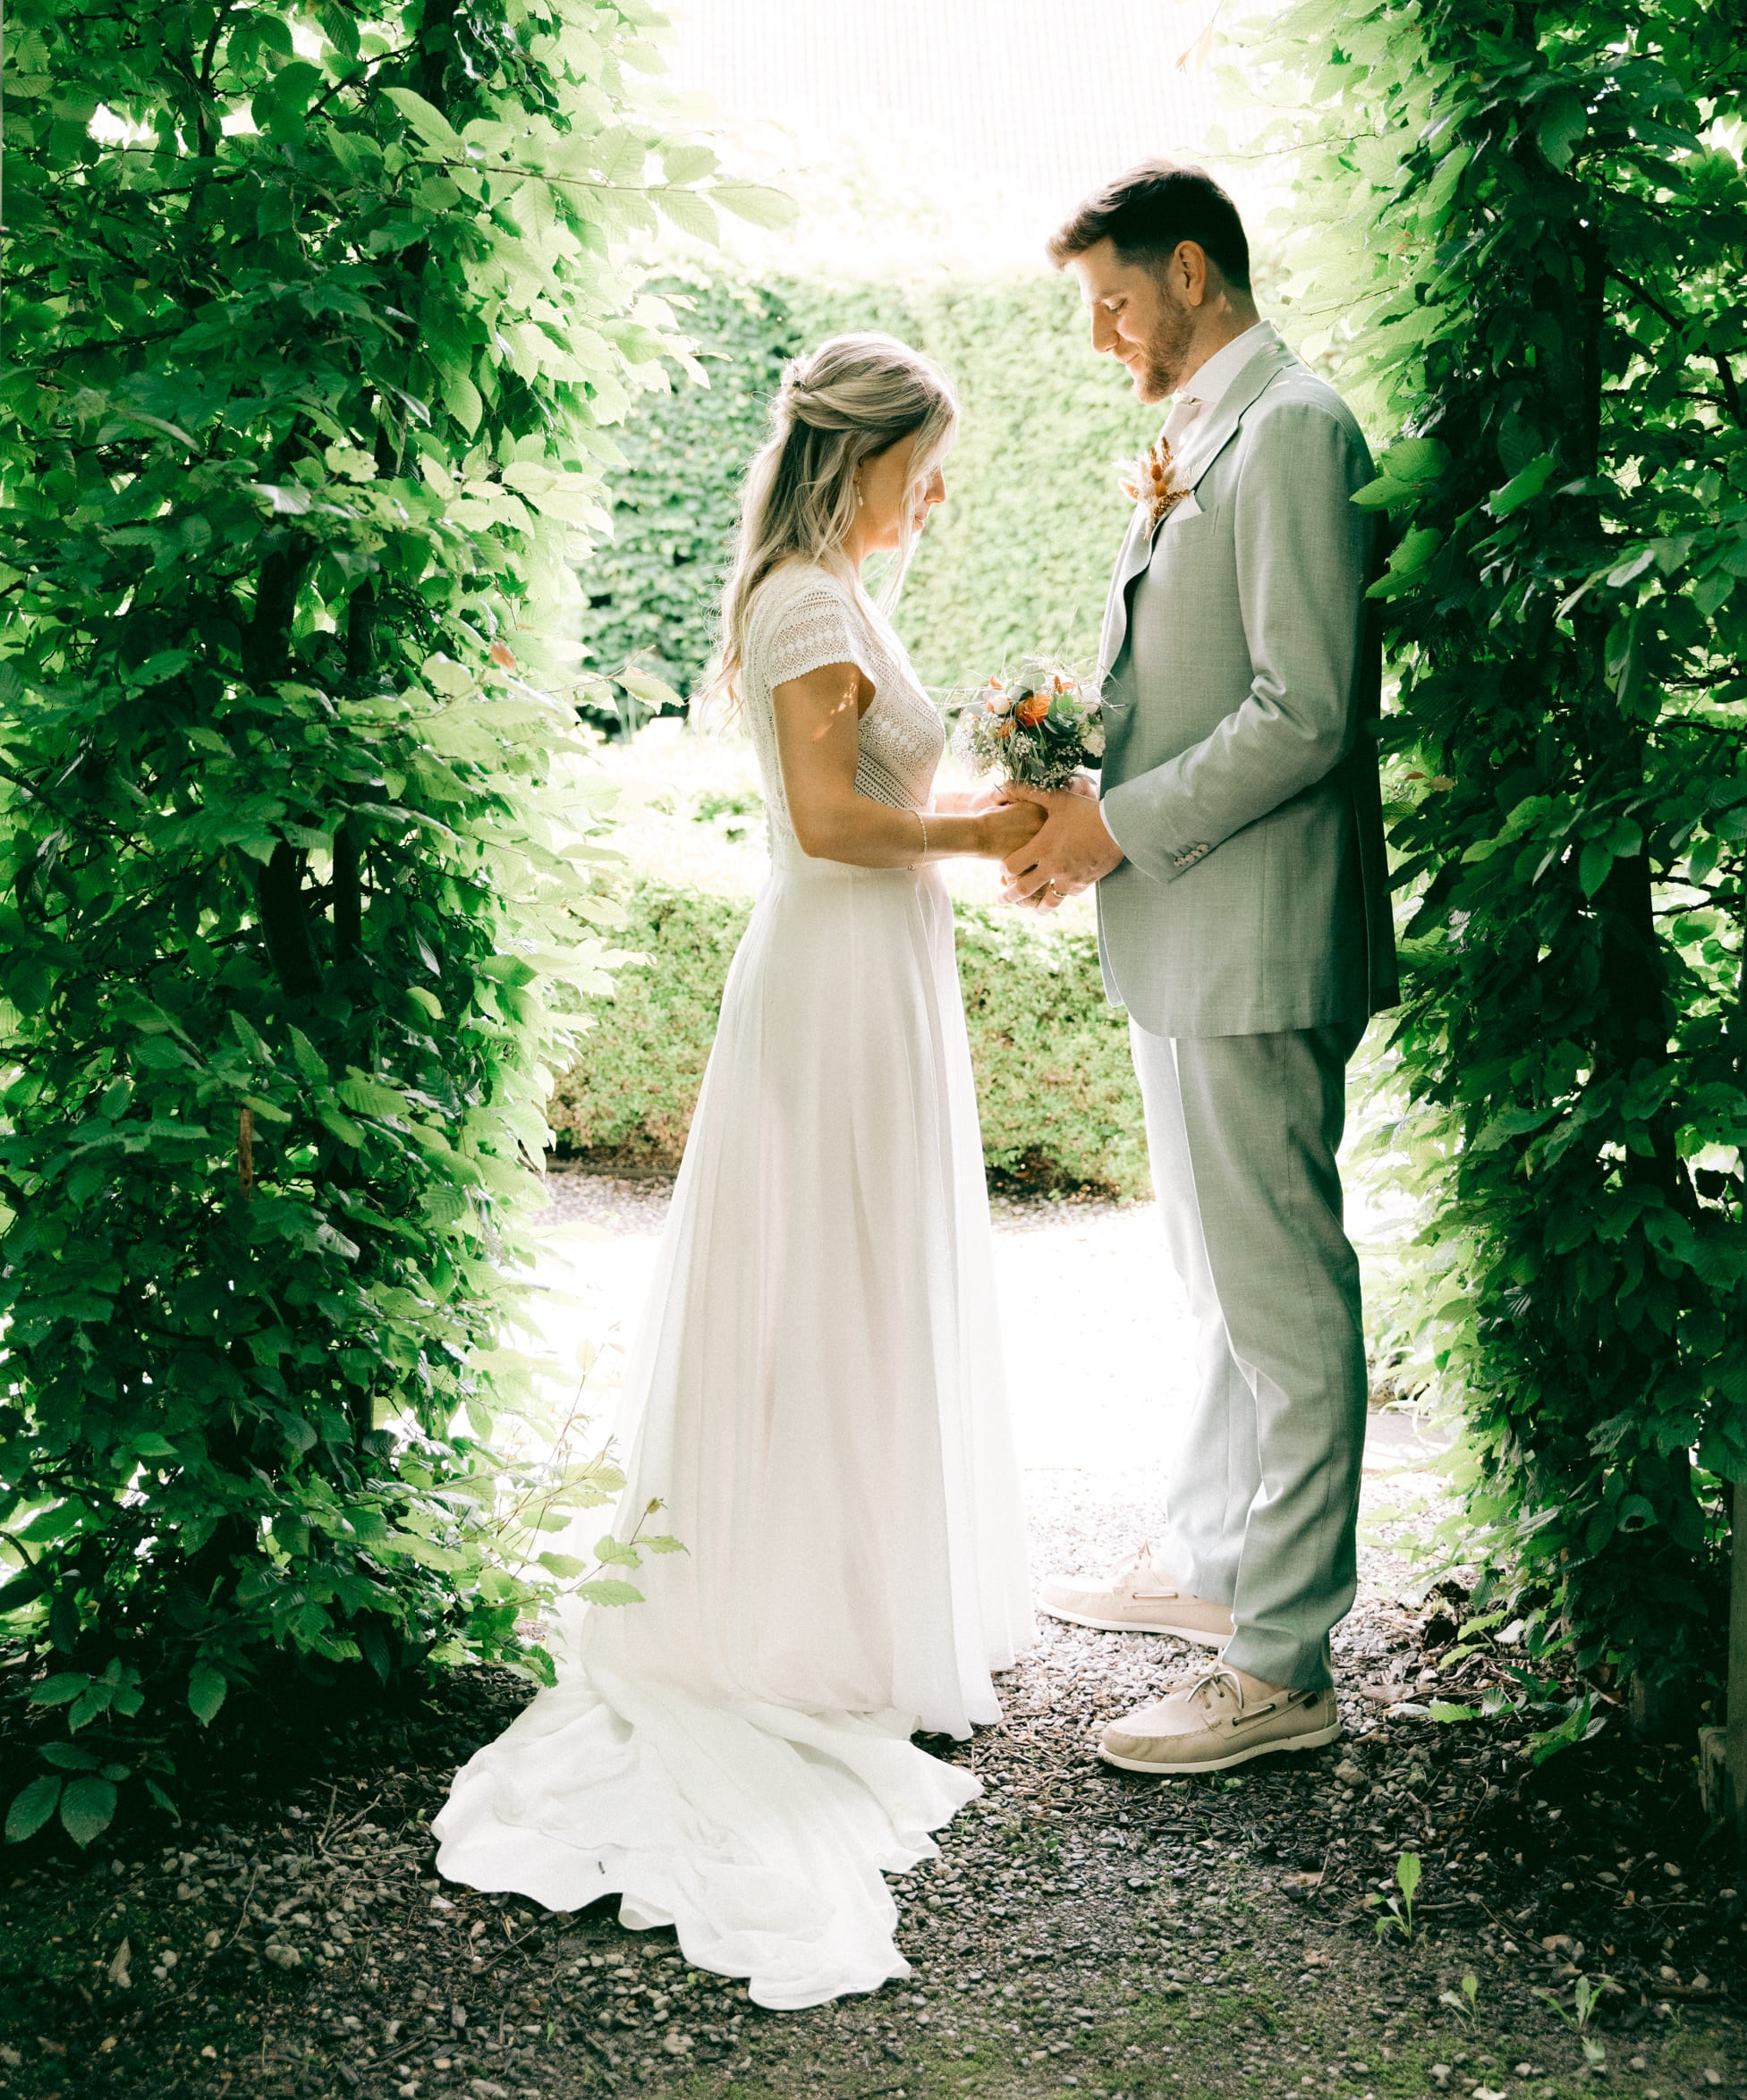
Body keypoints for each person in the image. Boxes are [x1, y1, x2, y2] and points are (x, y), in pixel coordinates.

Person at [433, 336, 1041, 2006]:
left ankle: (847, 1594)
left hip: (878, 972)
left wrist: (997, 803)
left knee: (861, 1279)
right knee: (817, 1282)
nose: (943, 489)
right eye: (930, 459)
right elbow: (832, 824)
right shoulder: (800, 604)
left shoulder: (840, 593)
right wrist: (982, 833)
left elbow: (872, 793)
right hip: (836, 973)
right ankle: (794, 1621)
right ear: (864, 457)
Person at [1004, 161, 1397, 1776]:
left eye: (1112, 300)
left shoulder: (1292, 429)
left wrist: (1113, 828)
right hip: (1187, 929)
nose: (1102, 335)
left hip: (1252, 932)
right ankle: (1213, 1562)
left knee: (1285, 1304)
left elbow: (1309, 713)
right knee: (1214, 1286)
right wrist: (1069, 768)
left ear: (1189, 270)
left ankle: (1283, 1662)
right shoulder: (1203, 434)